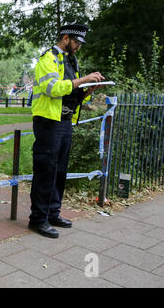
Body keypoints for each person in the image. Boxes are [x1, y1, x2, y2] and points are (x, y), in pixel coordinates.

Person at [28, 23, 105, 238]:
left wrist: (88, 90)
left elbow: (73, 94)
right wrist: (83, 79)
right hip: (48, 122)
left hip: (64, 121)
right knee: (45, 170)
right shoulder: (48, 59)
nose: (79, 46)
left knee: (59, 171)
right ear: (65, 38)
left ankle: (53, 213)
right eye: (77, 42)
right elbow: (52, 89)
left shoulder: (71, 61)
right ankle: (38, 220)